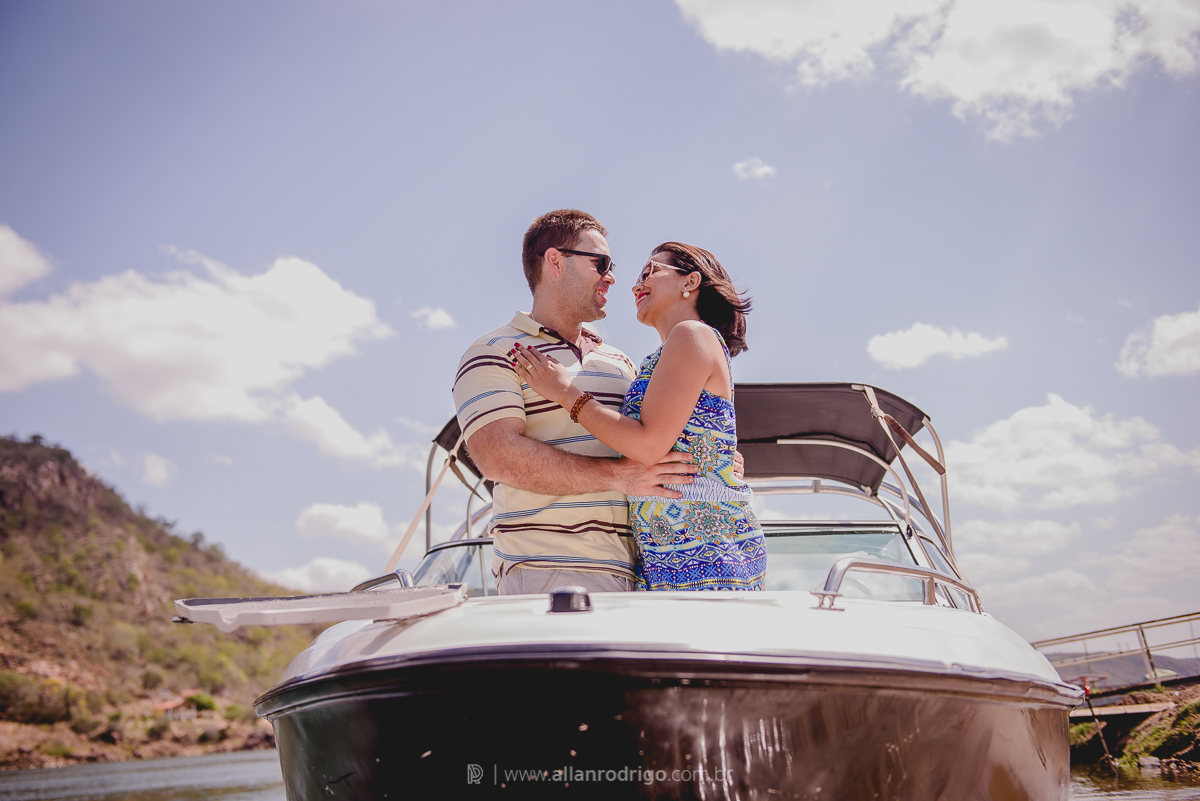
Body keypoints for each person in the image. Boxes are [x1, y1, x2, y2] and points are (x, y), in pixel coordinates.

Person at [452, 210, 700, 595]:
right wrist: (616, 477)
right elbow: (498, 456)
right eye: (600, 263)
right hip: (547, 572)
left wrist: (712, 456)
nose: (611, 277)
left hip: (637, 576)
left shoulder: (622, 362)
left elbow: (651, 441)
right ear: (555, 261)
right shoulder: (494, 351)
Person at [513, 242, 766, 591]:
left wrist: (565, 392)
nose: (635, 285)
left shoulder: (692, 334)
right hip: (669, 553)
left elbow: (648, 446)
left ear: (690, 281)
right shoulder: (661, 356)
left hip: (707, 549)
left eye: (650, 271)